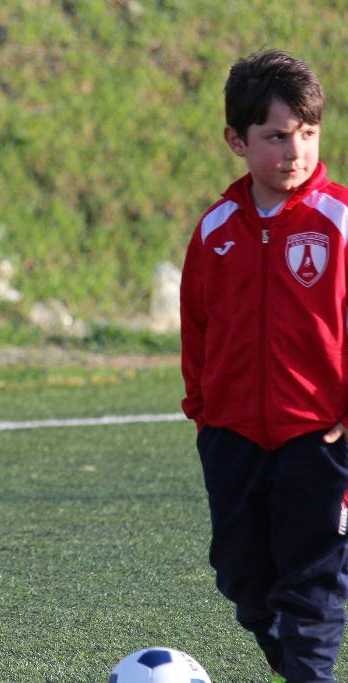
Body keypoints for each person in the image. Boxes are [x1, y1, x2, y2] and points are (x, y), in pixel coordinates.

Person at [181, 50, 348, 683]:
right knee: (243, 579)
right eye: (276, 136)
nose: (294, 151)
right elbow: (196, 326)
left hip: (320, 436)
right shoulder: (216, 229)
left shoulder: (340, 222)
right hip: (232, 437)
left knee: (313, 579)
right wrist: (202, 413)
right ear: (237, 141)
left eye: (307, 134)